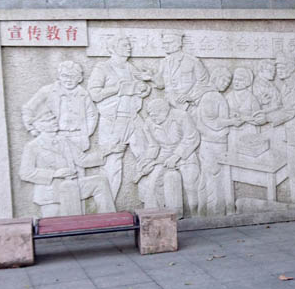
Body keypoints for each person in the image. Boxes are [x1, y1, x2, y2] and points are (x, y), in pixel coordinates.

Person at [88, 36, 153, 199]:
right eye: (124, 45)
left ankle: (149, 201)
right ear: (112, 48)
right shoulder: (102, 68)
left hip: (134, 118)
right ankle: (107, 205)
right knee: (112, 163)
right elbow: (94, 94)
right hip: (113, 120)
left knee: (146, 157)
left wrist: (143, 89)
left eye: (129, 45)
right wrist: (119, 88)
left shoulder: (130, 67)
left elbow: (141, 88)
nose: (129, 48)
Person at [19, 110, 115, 217]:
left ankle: (110, 220)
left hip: (73, 185)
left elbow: (82, 159)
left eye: (53, 118)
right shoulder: (32, 146)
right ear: (39, 126)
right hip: (51, 194)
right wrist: (54, 174)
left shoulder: (64, 141)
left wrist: (107, 151)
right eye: (48, 121)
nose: (54, 121)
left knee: (100, 182)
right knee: (55, 223)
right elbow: (25, 173)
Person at [254, 54, 295, 202]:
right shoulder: (286, 85)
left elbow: (289, 112)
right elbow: (282, 106)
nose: (279, 71)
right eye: (278, 67)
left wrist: (267, 119)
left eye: (283, 67)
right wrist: (265, 112)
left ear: (292, 68)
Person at [134, 99, 201, 216]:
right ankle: (155, 216)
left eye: (155, 115)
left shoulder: (182, 116)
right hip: (164, 156)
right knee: (153, 182)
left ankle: (196, 214)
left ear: (165, 111)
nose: (153, 118)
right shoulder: (149, 123)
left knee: (190, 183)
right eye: (151, 115)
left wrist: (176, 156)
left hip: (186, 154)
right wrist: (147, 161)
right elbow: (153, 145)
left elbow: (191, 137)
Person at [194, 68, 242, 215]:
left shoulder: (215, 96)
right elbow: (212, 121)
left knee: (214, 178)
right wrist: (231, 122)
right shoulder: (211, 96)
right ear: (215, 78)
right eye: (223, 79)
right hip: (213, 144)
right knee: (214, 178)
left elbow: (218, 117)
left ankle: (209, 211)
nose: (226, 83)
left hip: (217, 143)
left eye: (228, 81)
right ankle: (214, 213)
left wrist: (230, 117)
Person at [22, 61, 98, 152]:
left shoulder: (83, 94)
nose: (68, 80)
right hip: (55, 137)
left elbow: (92, 115)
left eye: (73, 76)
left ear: (80, 78)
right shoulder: (47, 91)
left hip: (78, 138)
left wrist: (85, 133)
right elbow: (28, 108)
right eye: (65, 76)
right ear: (59, 76)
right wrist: (31, 129)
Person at [152, 31, 213, 110]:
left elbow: (204, 82)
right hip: (169, 105)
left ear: (179, 43)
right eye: (164, 43)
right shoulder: (164, 62)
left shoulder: (192, 61)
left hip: (188, 105)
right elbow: (161, 85)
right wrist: (151, 77)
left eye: (169, 43)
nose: (165, 46)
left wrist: (191, 96)